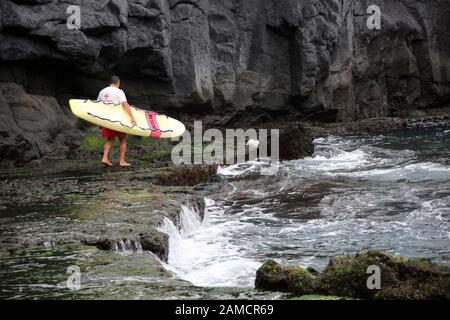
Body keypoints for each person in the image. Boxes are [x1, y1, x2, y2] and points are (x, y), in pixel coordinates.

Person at [97, 75, 137, 167]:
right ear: (117, 83)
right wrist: (132, 117)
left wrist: (99, 121)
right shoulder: (119, 91)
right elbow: (125, 104)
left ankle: (105, 158)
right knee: (122, 139)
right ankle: (122, 161)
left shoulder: (102, 91)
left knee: (110, 139)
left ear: (109, 83)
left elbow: (98, 106)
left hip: (105, 119)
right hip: (117, 119)